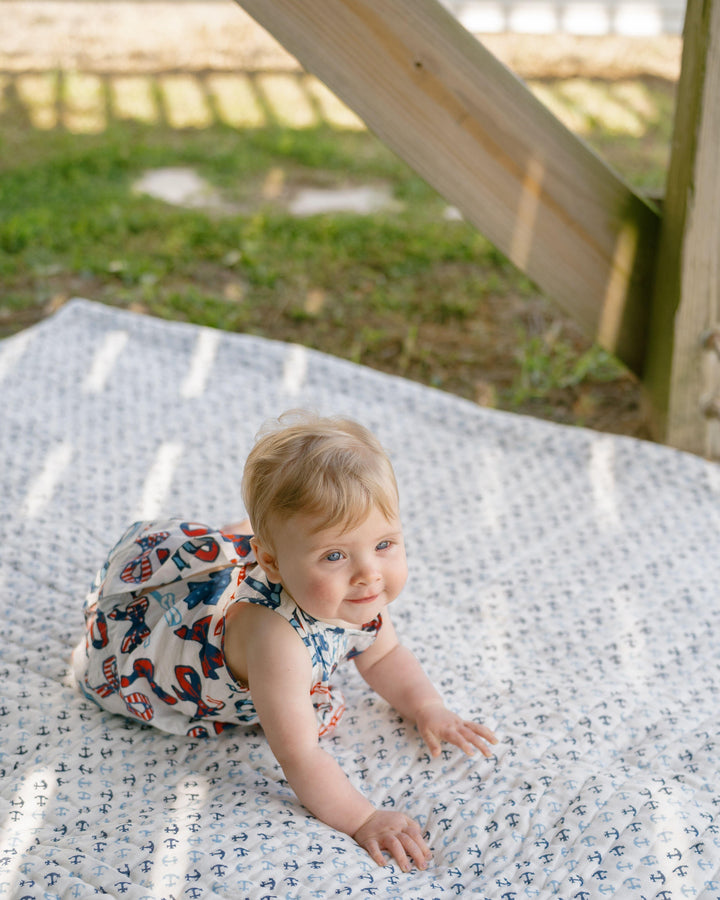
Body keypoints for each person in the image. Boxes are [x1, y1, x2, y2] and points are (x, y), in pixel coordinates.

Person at [72, 411, 497, 872]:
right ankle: (250, 543)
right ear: (271, 567)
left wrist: (427, 707)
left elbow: (384, 653)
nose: (369, 573)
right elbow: (299, 752)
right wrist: (364, 818)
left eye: (385, 544)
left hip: (270, 560)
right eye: (334, 554)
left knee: (277, 541)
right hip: (146, 639)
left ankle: (266, 538)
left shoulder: (360, 592)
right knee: (238, 569)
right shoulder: (277, 639)